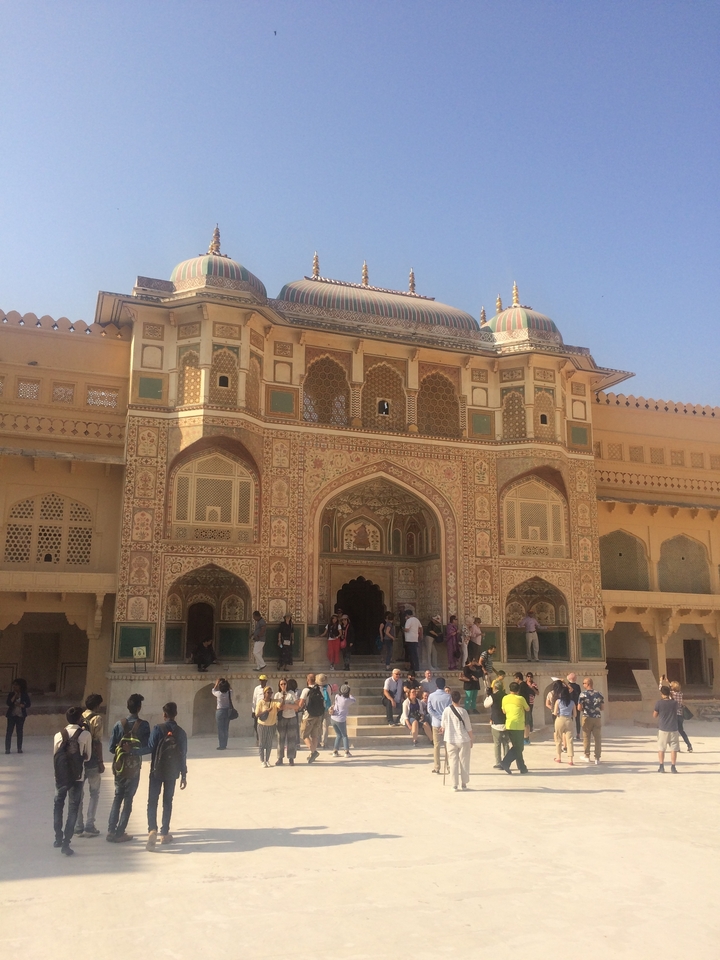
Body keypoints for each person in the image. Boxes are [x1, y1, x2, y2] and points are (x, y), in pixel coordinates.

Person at [107, 693, 151, 842]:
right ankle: (120, 832)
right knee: (128, 799)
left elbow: (111, 748)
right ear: (139, 707)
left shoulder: (118, 724)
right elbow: (147, 747)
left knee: (117, 796)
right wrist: (133, 751)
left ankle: (111, 830)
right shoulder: (144, 725)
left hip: (119, 766)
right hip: (133, 767)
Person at [146, 701, 187, 850]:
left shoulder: (158, 728)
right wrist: (184, 774)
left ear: (164, 715)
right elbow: (183, 754)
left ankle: (152, 830)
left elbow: (150, 747)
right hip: (172, 772)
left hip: (156, 770)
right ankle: (164, 833)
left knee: (152, 801)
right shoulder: (181, 732)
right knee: (167, 801)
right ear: (175, 715)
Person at [53, 706, 92, 856]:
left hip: (60, 777)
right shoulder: (85, 734)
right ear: (79, 719)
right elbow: (87, 757)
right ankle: (66, 843)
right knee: (73, 808)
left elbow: (55, 756)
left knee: (58, 805)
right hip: (77, 776)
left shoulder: (58, 735)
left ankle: (58, 838)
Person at [74, 693, 104, 838]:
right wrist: (101, 761)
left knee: (79, 793)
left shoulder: (79, 717)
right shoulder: (96, 718)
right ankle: (89, 824)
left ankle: (78, 825)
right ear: (97, 705)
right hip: (92, 759)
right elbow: (97, 741)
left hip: (79, 760)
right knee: (94, 793)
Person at [440, 690, 473, 790]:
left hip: (450, 739)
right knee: (464, 761)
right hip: (463, 739)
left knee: (452, 762)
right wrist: (471, 739)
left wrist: (442, 730)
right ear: (460, 699)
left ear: (451, 699)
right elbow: (468, 728)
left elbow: (443, 726)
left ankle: (454, 785)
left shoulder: (446, 710)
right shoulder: (463, 711)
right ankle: (464, 784)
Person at [500, 681, 530, 774]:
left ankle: (522, 767)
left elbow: (504, 711)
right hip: (518, 725)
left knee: (517, 747)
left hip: (509, 724)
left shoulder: (505, 698)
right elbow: (527, 708)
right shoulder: (520, 698)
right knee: (519, 747)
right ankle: (505, 762)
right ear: (518, 690)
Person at [427, 677, 452, 774]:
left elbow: (429, 710)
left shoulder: (431, 696)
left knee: (436, 746)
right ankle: (449, 767)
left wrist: (438, 716)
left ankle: (437, 767)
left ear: (436, 685)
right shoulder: (448, 696)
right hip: (446, 724)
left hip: (436, 723)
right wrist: (443, 717)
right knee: (447, 746)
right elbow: (449, 710)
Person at [661, 677, 693, 752]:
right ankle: (689, 745)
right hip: (680, 714)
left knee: (673, 732)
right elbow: (674, 688)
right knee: (681, 731)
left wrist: (661, 682)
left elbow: (663, 690)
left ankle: (676, 747)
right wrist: (668, 681)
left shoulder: (672, 694)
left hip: (673, 715)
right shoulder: (680, 694)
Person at [578, 677, 604, 764]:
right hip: (597, 717)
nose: (583, 685)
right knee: (597, 738)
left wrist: (585, 709)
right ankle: (597, 758)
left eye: (584, 683)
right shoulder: (599, 694)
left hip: (587, 717)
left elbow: (579, 707)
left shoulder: (582, 694)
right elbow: (602, 708)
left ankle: (587, 756)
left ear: (588, 684)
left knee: (586, 737)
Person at [654, 685, 680, 773]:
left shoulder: (659, 703)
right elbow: (677, 709)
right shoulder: (674, 703)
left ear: (661, 694)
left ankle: (661, 766)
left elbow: (654, 715)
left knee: (661, 748)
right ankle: (673, 767)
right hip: (673, 728)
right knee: (674, 749)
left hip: (663, 728)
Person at [299, 673, 325, 763]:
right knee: (314, 735)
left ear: (308, 680)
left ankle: (313, 752)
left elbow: (301, 704)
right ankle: (312, 753)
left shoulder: (306, 690)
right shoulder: (319, 689)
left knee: (304, 735)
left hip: (308, 715)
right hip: (318, 715)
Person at [274, 677, 299, 765]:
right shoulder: (277, 695)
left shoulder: (291, 694)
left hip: (291, 717)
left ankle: (291, 757)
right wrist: (283, 699)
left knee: (291, 738)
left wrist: (288, 706)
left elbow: (297, 706)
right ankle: (280, 758)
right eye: (281, 684)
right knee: (280, 738)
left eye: (285, 684)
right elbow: (278, 707)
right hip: (281, 718)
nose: (283, 686)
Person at [485, 677, 509, 768]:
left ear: (495, 687)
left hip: (496, 723)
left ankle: (498, 762)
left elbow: (486, 704)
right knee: (506, 743)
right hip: (506, 722)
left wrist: (488, 695)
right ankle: (506, 762)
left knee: (497, 743)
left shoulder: (493, 696)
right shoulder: (507, 696)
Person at [5, 677, 30, 754]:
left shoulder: (24, 695)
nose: (14, 687)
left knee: (19, 732)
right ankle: (7, 749)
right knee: (9, 732)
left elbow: (28, 704)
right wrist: (14, 696)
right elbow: (8, 703)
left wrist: (22, 705)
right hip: (12, 715)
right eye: (14, 685)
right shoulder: (11, 694)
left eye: (16, 685)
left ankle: (19, 748)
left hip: (20, 715)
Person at [553, 684, 577, 765]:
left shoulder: (558, 701)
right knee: (569, 740)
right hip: (569, 720)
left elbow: (555, 712)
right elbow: (575, 715)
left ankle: (559, 757)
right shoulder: (572, 702)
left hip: (560, 719)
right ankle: (570, 759)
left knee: (558, 739)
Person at [330, 683, 356, 757]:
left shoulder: (337, 696)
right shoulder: (347, 700)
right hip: (341, 719)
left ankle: (335, 751)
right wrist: (350, 694)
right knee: (344, 735)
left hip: (333, 718)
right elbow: (354, 699)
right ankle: (346, 752)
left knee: (338, 735)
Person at [256, 686, 279, 766]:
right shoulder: (261, 702)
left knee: (269, 743)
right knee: (262, 743)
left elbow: (280, 705)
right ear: (264, 693)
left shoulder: (274, 702)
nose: (270, 694)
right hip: (262, 725)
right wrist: (266, 711)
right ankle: (262, 761)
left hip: (271, 725)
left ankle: (267, 759)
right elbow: (257, 714)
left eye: (271, 693)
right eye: (268, 693)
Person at [513, 672, 533, 745]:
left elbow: (520, 697)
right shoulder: (524, 685)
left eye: (515, 678)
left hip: (524, 707)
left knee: (525, 723)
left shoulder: (522, 686)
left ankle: (525, 738)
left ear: (518, 678)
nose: (515, 680)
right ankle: (526, 738)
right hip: (526, 706)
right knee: (526, 723)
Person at [212, 677, 233, 750]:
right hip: (227, 712)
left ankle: (221, 745)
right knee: (225, 728)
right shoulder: (229, 693)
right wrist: (227, 682)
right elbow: (231, 689)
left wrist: (216, 683)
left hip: (220, 712)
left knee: (220, 729)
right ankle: (225, 744)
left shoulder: (219, 694)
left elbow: (213, 690)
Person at [317, 673, 333, 749]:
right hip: (327, 708)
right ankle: (324, 743)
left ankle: (317, 742)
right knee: (325, 726)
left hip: (319, 708)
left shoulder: (316, 687)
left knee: (318, 726)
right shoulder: (329, 687)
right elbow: (330, 696)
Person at [251, 674, 268, 742]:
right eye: (261, 681)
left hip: (266, 709)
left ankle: (265, 738)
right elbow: (254, 699)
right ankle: (258, 738)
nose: (262, 682)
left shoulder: (269, 688)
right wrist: (253, 710)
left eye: (263, 681)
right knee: (256, 725)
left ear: (266, 681)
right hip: (258, 709)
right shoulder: (257, 688)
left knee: (265, 724)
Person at [524, 672, 540, 742]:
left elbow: (537, 693)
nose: (529, 678)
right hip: (524, 700)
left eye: (530, 677)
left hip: (530, 701)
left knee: (529, 713)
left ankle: (530, 726)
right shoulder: (524, 684)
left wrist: (532, 688)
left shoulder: (534, 684)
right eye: (528, 676)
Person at [566, 672, 582, 739]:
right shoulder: (578, 686)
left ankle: (570, 733)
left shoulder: (567, 686)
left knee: (570, 719)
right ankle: (578, 734)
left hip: (569, 704)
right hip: (576, 704)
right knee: (577, 719)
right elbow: (580, 696)